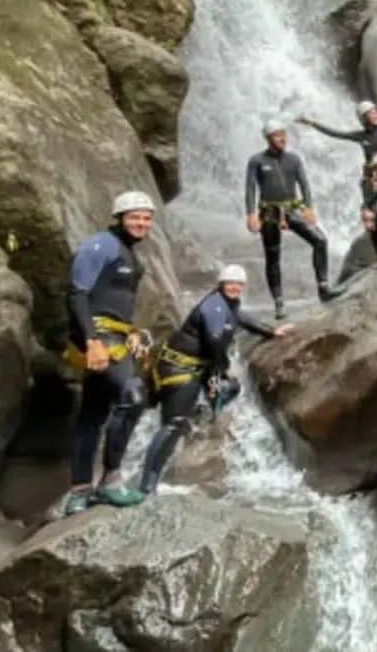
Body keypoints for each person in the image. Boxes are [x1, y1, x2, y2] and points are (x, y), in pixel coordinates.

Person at [137, 265, 290, 496]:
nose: (235, 287)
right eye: (230, 282)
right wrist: (222, 368)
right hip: (178, 369)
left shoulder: (229, 304)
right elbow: (215, 340)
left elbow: (243, 318)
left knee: (231, 389)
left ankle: (198, 413)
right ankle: (147, 484)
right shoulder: (214, 305)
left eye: (239, 284)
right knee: (173, 424)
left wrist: (271, 331)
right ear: (221, 284)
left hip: (198, 368)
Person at [62, 190, 157, 515]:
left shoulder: (127, 252)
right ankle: (110, 481)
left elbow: (114, 303)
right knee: (133, 397)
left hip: (114, 335)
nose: (142, 223)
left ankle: (79, 491)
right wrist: (91, 340)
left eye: (146, 218)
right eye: (135, 217)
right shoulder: (100, 245)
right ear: (119, 218)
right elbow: (77, 294)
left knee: (93, 413)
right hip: (99, 337)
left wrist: (131, 333)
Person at [245, 120, 332, 320]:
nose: (282, 138)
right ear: (268, 138)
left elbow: (304, 184)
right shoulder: (257, 161)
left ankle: (324, 287)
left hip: (292, 210)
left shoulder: (294, 159)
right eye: (277, 135)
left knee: (320, 240)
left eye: (284, 134)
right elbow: (250, 188)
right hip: (269, 213)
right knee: (273, 256)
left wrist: (308, 207)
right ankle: (279, 303)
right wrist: (250, 214)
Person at [296, 101, 377, 164]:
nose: (375, 116)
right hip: (373, 174)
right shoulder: (361, 136)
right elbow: (335, 133)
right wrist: (312, 123)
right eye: (371, 114)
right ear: (363, 118)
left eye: (375, 113)